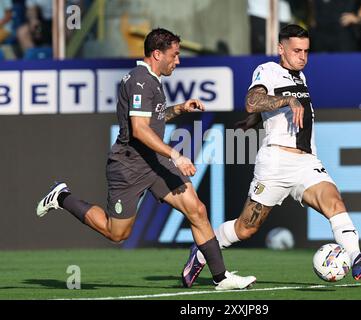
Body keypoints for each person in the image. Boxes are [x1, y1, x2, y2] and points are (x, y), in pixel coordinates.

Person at [36, 28, 256, 291]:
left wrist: (179, 108)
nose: (178, 61)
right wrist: (176, 155)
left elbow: (153, 121)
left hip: (155, 164)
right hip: (128, 166)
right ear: (157, 53)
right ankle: (62, 197)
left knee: (196, 210)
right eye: (174, 55)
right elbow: (139, 130)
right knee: (116, 233)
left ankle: (221, 278)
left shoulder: (152, 79)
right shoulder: (139, 80)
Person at [181, 24, 361, 288]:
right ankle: (200, 252)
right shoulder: (268, 70)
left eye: (307, 51)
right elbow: (253, 100)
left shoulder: (301, 77)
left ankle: (357, 257)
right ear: (281, 48)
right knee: (246, 228)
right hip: (276, 163)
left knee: (334, 202)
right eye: (297, 50)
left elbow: (262, 110)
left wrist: (253, 121)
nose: (303, 57)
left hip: (307, 162)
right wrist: (283, 102)